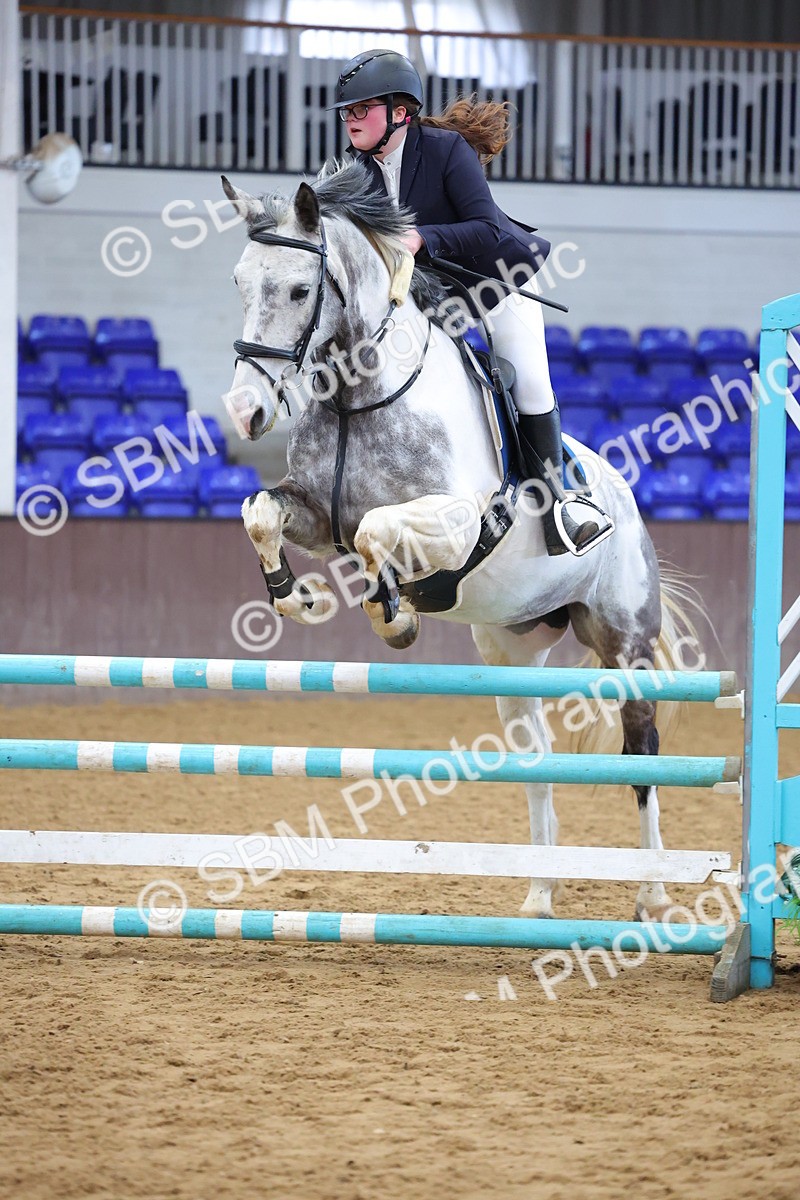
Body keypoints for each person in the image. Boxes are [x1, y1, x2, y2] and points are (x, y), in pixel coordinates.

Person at [333, 48, 614, 557]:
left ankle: (566, 505)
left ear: (400, 111)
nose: (350, 119)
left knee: (528, 383)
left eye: (362, 108)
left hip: (498, 281)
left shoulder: (444, 150)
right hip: (436, 295)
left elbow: (484, 227)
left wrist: (421, 239)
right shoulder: (356, 169)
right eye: (347, 111)